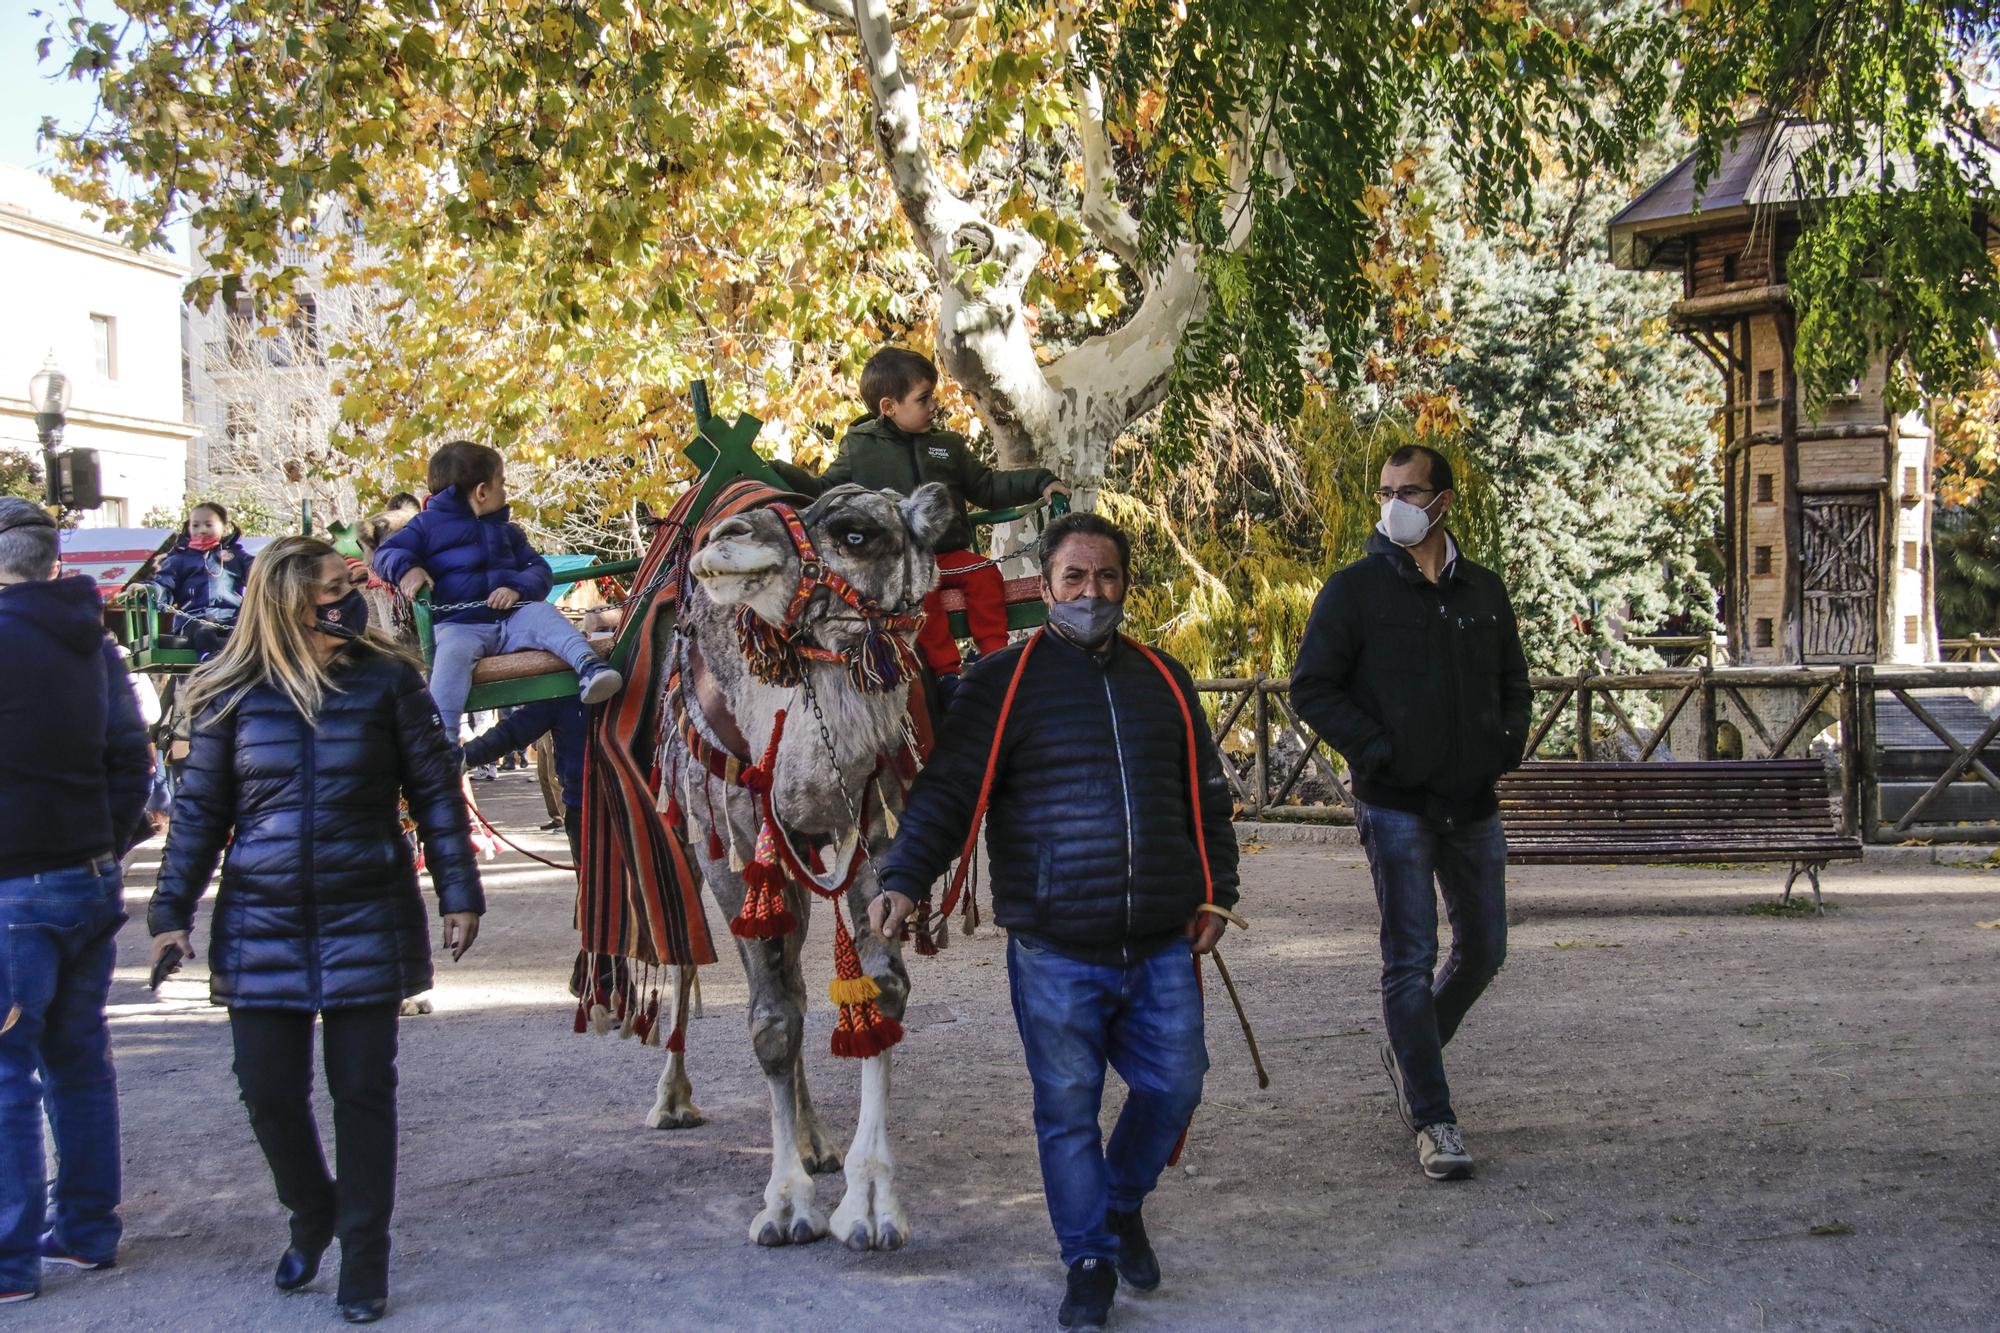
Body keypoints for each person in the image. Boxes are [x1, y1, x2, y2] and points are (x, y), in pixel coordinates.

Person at [871, 512, 1238, 1333]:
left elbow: (1205, 797)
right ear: (1047, 583)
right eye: (1074, 577)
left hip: (1160, 943)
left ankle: (1120, 1200)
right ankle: (1089, 1259)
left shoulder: (1166, 679)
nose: (1091, 592)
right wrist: (903, 876)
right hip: (1053, 948)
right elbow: (946, 793)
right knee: (1067, 1108)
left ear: (1125, 584)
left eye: (1106, 577)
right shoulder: (999, 683)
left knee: (1177, 1083)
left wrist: (1217, 890)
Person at [148, 535, 483, 1323]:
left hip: (367, 902)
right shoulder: (229, 691)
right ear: (294, 602)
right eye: (336, 586)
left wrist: (460, 890)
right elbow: (198, 815)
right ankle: (312, 1211)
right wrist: (169, 913)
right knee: (268, 1091)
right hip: (261, 914)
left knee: (362, 1089)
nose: (353, 594)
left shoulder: (389, 682)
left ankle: (365, 1256)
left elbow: (434, 792)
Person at [1289, 444, 1530, 1183]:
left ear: (1443, 501)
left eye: (1409, 490)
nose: (1394, 501)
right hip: (1395, 804)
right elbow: (1312, 688)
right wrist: (1378, 750)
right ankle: (1434, 1116)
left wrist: (1505, 744)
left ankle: (1410, 1046)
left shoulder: (1484, 591)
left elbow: (1515, 681)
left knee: (1485, 947)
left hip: (1473, 800)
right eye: (1386, 489)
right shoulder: (1354, 590)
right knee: (1409, 957)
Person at [0, 498, 151, 1305]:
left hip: (16, 882)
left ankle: (8, 1260)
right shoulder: (91, 640)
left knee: (8, 1073)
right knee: (77, 1062)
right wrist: (107, 844)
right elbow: (132, 757)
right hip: (86, 874)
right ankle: (87, 1231)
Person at [809, 348, 1070, 687]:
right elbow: (825, 489)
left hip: (951, 555)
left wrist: (1040, 481)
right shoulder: (860, 450)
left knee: (984, 573)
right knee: (920, 595)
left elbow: (986, 486)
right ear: (889, 407)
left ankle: (994, 657)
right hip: (905, 563)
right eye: (924, 398)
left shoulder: (947, 446)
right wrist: (781, 477)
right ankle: (946, 671)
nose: (935, 405)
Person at [370, 441, 621, 742]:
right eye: (501, 483)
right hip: (460, 626)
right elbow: (386, 554)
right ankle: (443, 740)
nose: (505, 491)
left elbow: (539, 570)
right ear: (481, 492)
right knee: (449, 657)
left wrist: (517, 588)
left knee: (542, 613)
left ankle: (589, 666)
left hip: (512, 620)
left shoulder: (508, 533)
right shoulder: (424, 527)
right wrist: (408, 568)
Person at [150, 500, 254, 654]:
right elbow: (164, 584)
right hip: (194, 618)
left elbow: (260, 570)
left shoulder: (236, 557)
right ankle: (208, 659)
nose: (202, 530)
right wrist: (149, 589)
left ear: (225, 528)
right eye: (195, 525)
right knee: (204, 630)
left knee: (248, 631)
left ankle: (246, 667)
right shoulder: (179, 560)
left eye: (209, 524)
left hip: (232, 618)